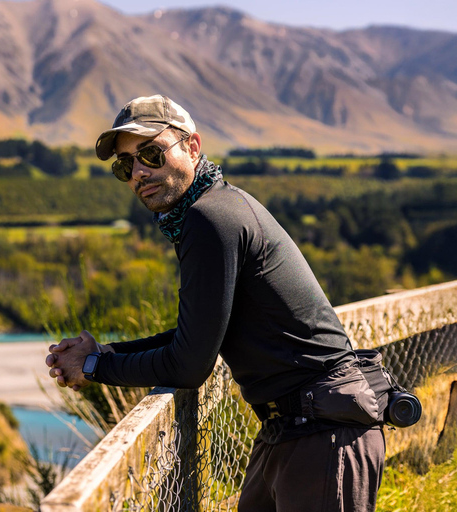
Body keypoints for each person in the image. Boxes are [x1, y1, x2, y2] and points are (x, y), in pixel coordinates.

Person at [45, 94, 385, 512]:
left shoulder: (210, 219)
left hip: (322, 432)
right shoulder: (214, 207)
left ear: (192, 146)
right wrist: (106, 352)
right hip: (294, 427)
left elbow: (189, 365)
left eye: (150, 153)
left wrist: (95, 367)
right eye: (124, 165)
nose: (138, 172)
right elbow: (200, 331)